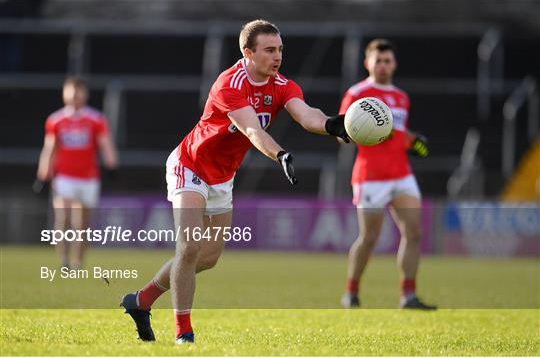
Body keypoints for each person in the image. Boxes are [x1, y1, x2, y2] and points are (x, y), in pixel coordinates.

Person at [120, 19, 349, 344]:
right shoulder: (229, 83)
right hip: (190, 165)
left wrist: (331, 125)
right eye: (269, 50)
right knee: (189, 247)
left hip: (222, 177)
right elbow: (253, 130)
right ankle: (183, 334)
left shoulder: (281, 84)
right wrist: (281, 154)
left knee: (209, 257)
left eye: (280, 49)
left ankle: (141, 301)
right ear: (248, 52)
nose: (277, 56)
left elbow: (305, 113)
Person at [338, 39, 436, 310]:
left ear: (394, 64)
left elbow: (400, 134)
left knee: (414, 232)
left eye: (387, 61)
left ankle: (408, 296)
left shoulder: (401, 97)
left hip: (401, 174)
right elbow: (342, 135)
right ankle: (351, 292)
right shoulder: (357, 93)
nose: (383, 65)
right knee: (369, 238)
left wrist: (413, 141)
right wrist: (365, 131)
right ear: (367, 63)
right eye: (378, 60)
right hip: (371, 175)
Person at [36, 77, 118, 269]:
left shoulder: (95, 119)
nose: (75, 95)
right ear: (64, 93)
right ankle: (64, 259)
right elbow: (49, 148)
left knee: (82, 222)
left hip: (88, 178)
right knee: (63, 216)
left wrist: (112, 165)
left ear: (85, 94)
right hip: (64, 176)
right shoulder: (56, 120)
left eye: (78, 90)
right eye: (71, 90)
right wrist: (43, 174)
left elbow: (105, 143)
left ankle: (78, 261)